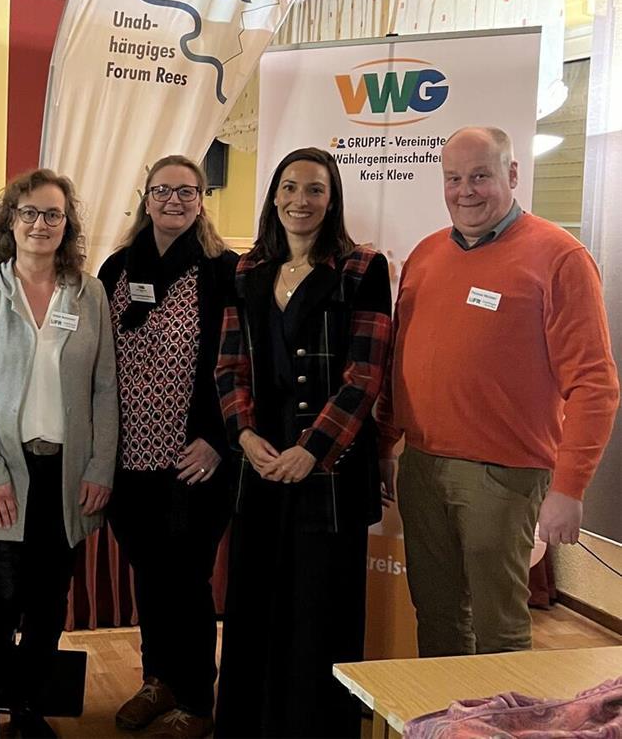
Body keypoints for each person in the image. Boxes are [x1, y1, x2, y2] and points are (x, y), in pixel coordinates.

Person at [377, 126, 618, 658]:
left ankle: (500, 709)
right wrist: (385, 444)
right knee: (436, 616)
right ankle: (444, 708)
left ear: (511, 174)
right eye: (454, 178)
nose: (465, 191)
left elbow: (595, 385)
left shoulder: (560, 257)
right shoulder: (425, 255)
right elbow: (401, 360)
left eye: (480, 176)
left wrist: (570, 488)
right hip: (422, 468)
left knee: (499, 629)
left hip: (504, 477)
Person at [214, 147, 392, 738]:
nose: (300, 200)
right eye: (289, 187)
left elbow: (364, 376)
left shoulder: (363, 269)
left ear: (332, 199)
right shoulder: (247, 270)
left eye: (315, 189)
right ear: (274, 196)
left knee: (321, 614)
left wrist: (311, 450)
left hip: (331, 474)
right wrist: (243, 433)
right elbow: (230, 365)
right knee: (255, 608)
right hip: (260, 466)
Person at [0, 169, 117, 739]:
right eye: (29, 213)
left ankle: (25, 706)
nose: (40, 224)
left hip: (67, 474)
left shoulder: (89, 293)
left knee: (49, 603)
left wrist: (100, 466)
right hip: (5, 473)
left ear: (66, 225)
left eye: (52, 214)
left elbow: (105, 388)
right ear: (12, 220)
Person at [96, 155, 238, 738]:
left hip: (193, 458)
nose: (173, 200)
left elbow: (240, 362)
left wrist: (218, 440)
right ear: (146, 197)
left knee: (187, 580)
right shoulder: (116, 268)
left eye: (186, 191)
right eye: (162, 190)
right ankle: (158, 680)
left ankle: (197, 701)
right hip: (127, 455)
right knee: (148, 575)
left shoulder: (224, 271)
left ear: (201, 200)